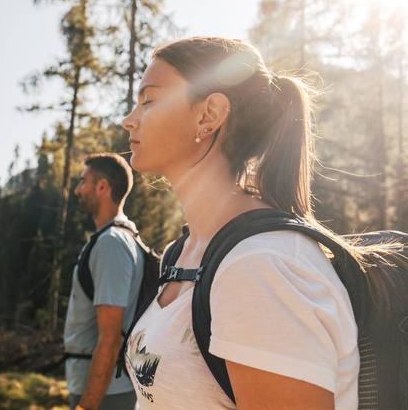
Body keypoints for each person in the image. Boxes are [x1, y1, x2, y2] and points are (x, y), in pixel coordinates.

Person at [121, 36, 360, 409]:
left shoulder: (261, 266)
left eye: (149, 100)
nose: (128, 120)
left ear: (209, 114)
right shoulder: (182, 254)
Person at [63, 153, 143, 410]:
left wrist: (87, 406)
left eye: (83, 181)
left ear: (102, 186)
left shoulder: (111, 244)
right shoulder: (122, 237)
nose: (77, 190)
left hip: (105, 394)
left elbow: (109, 336)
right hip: (105, 388)